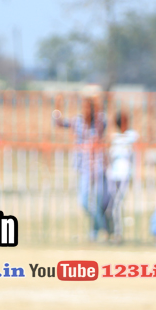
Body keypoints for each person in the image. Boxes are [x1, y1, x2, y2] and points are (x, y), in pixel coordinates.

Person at [53, 95, 108, 241]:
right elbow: (58, 123)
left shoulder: (99, 122)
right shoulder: (77, 121)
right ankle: (103, 225)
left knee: (98, 202)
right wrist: (57, 106)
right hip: (83, 167)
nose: (86, 111)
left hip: (98, 167)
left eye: (89, 108)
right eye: (84, 108)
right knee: (84, 201)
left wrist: (96, 103)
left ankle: (94, 233)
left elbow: (104, 120)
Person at [104, 110, 138, 243]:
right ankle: (110, 232)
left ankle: (117, 234)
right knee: (109, 206)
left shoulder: (132, 136)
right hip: (112, 175)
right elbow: (108, 153)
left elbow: (137, 152)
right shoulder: (114, 137)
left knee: (116, 205)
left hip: (124, 174)